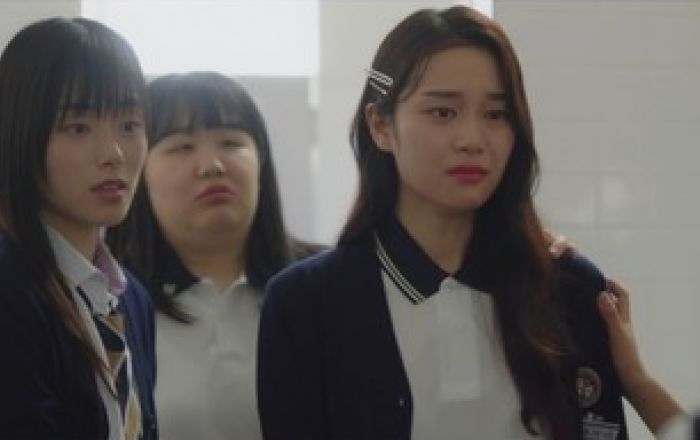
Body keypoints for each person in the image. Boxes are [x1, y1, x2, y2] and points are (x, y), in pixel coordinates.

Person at [257, 6, 642, 440]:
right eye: (443, 112)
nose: (472, 140)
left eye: (496, 114)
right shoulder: (305, 303)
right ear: (380, 125)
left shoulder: (569, 288)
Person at [106, 71, 323, 440]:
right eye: (182, 147)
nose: (212, 165)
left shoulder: (325, 286)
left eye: (231, 142)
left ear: (262, 163)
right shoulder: (109, 298)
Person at [0, 17, 157, 440]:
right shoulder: (10, 290)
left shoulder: (131, 299)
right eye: (78, 128)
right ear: (20, 133)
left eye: (129, 124)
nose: (114, 153)